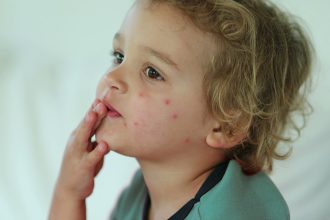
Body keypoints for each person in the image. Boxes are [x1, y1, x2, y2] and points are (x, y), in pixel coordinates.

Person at [48, 0, 313, 219]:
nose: (112, 78)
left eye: (152, 72)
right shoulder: (137, 197)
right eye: (119, 56)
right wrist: (69, 193)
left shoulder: (236, 211)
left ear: (226, 125)